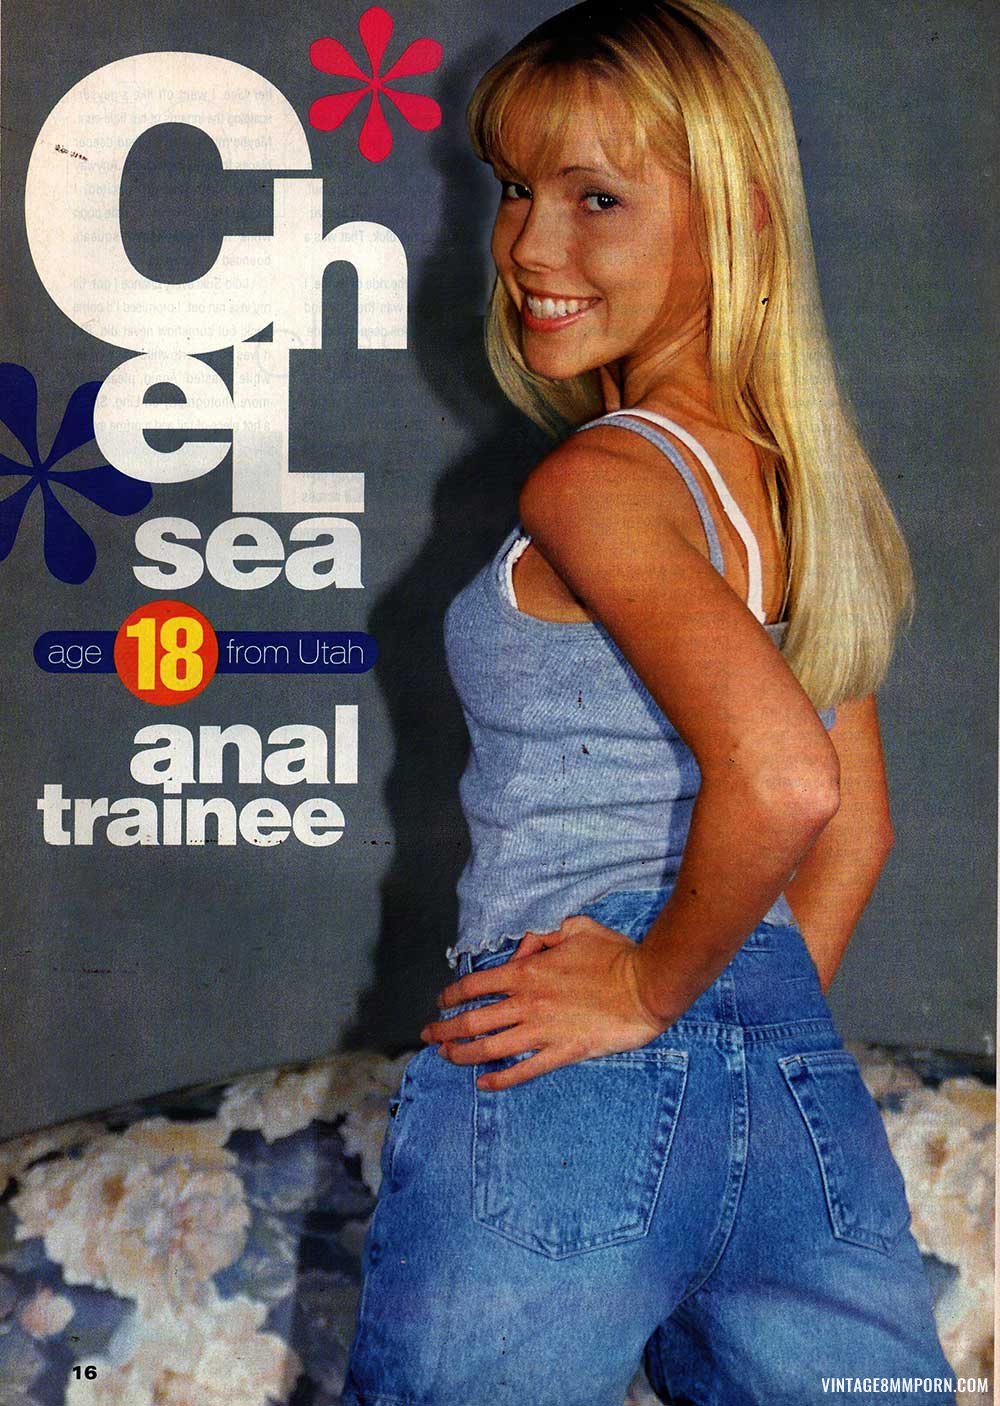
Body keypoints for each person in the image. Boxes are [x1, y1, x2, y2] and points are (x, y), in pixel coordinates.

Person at [342, 2, 957, 1402]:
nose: (527, 246)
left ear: (735, 217)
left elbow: (788, 783)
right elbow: (855, 836)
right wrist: (731, 1025)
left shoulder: (599, 482)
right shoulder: (796, 491)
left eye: (597, 199)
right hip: (791, 1088)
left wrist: (643, 988)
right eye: (515, 190)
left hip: (570, 1063)